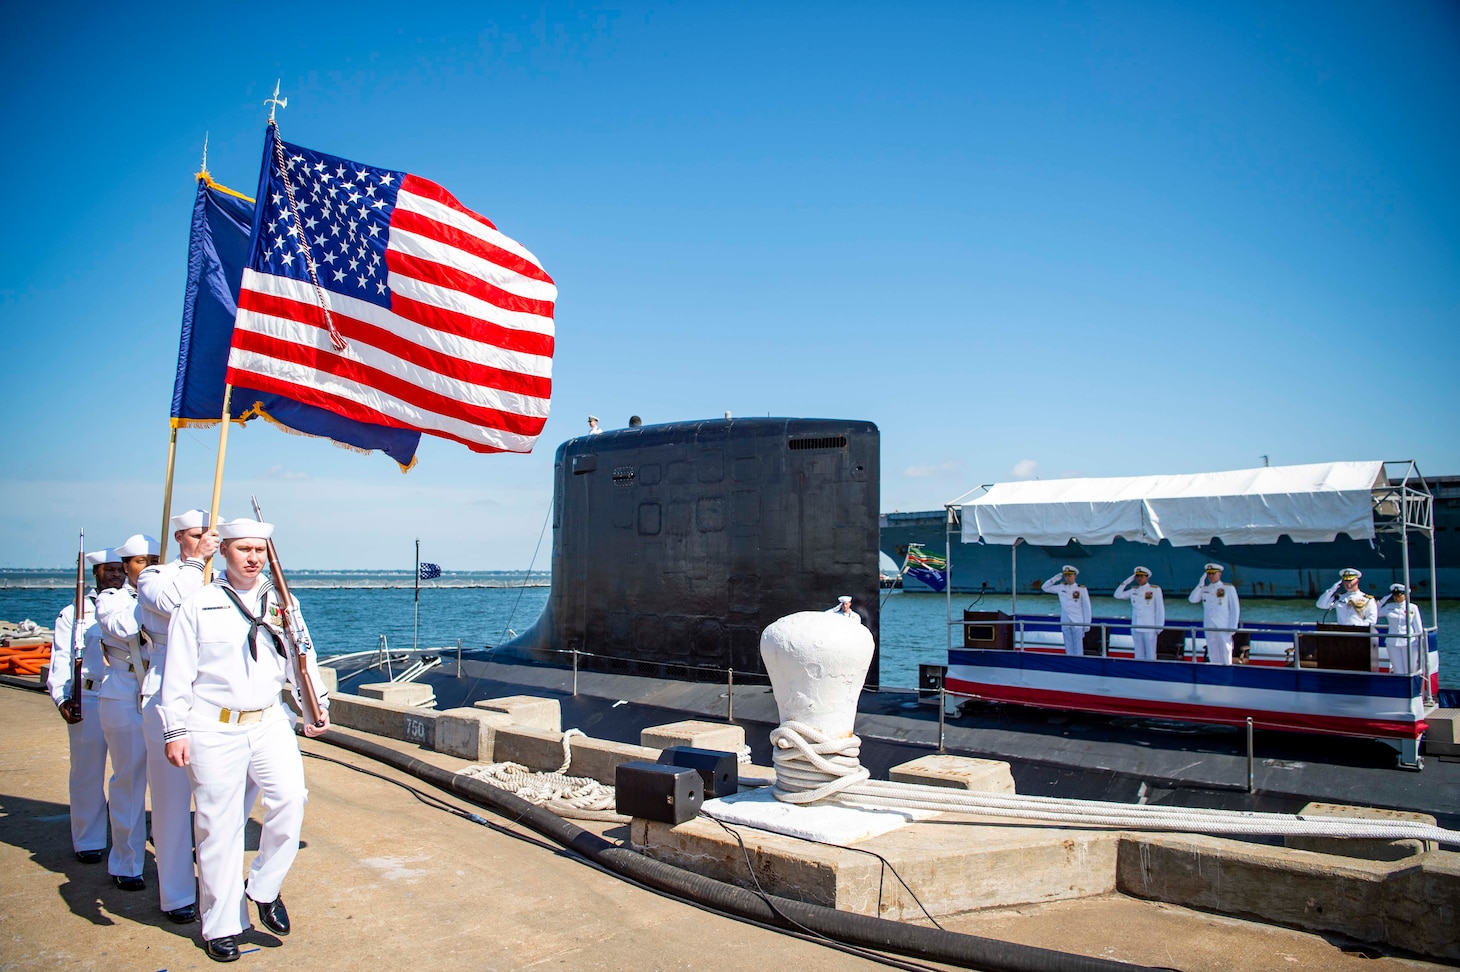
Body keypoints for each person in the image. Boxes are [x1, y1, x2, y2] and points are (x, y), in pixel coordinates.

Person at [161, 518, 330, 963]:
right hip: (213, 725)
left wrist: (317, 705)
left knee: (291, 800)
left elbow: (302, 656)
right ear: (225, 552)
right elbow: (176, 676)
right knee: (218, 827)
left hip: (269, 720)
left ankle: (264, 886)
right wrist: (174, 731)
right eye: (243, 549)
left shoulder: (284, 603)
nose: (253, 558)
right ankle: (221, 924)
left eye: (260, 549)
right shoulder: (197, 605)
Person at [127, 508, 220, 924]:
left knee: (219, 799)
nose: (208, 540)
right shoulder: (156, 577)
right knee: (170, 803)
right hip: (165, 691)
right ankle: (177, 893)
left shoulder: (220, 577)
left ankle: (215, 884)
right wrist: (197, 562)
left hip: (212, 694)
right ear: (181, 536)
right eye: (199, 534)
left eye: (210, 535)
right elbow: (177, 603)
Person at [48, 547, 124, 863]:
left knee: (129, 775)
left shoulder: (134, 606)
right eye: (109, 570)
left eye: (121, 570)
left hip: (123, 696)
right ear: (95, 573)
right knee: (87, 773)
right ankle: (88, 840)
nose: (116, 576)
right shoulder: (75, 613)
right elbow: (62, 659)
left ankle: (127, 840)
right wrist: (62, 698)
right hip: (90, 698)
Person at [94, 534, 159, 893]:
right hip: (125, 693)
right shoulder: (112, 599)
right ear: (126, 567)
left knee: (173, 785)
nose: (147, 567)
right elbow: (123, 628)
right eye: (139, 562)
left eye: (153, 560)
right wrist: (153, 598)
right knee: (130, 782)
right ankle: (127, 861)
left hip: (162, 693)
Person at [1188, 563, 1240, 665]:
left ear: (1219, 574)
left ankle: (1226, 675)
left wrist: (1232, 627)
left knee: (1226, 651)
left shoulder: (1228, 588)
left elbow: (1235, 609)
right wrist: (1200, 585)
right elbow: (1192, 599)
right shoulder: (1205, 589)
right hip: (1209, 626)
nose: (1211, 576)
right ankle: (1215, 673)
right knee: (1213, 652)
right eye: (1209, 574)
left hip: (1223, 626)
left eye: (1213, 573)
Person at [1113, 566, 1164, 661]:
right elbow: (1117, 595)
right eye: (1138, 576)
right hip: (1136, 626)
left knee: (1150, 654)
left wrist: (1159, 627)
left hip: (1149, 627)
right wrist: (1126, 582)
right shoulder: (1133, 590)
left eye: (1142, 576)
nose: (1139, 578)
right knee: (1138, 654)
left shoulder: (1155, 590)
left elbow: (1160, 609)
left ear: (1147, 577)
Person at [1377, 584, 1426, 678]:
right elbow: (1374, 613)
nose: (1397, 597)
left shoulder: (1412, 607)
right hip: (1392, 642)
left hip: (1410, 643)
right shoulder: (1389, 607)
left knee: (1410, 669)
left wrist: (1421, 645)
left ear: (1405, 595)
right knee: (1397, 670)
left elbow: (1418, 627)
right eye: (1394, 595)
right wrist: (1383, 600)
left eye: (1399, 595)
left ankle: (1412, 690)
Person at [1041, 566, 1091, 656]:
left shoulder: (1081, 589)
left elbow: (1086, 608)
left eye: (1070, 575)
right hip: (1065, 621)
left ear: (1075, 576)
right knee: (1068, 646)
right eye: (1066, 575)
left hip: (1078, 622)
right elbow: (1045, 588)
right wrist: (1054, 579)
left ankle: (1078, 665)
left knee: (1078, 648)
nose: (1068, 578)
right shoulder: (1061, 587)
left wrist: (1086, 625)